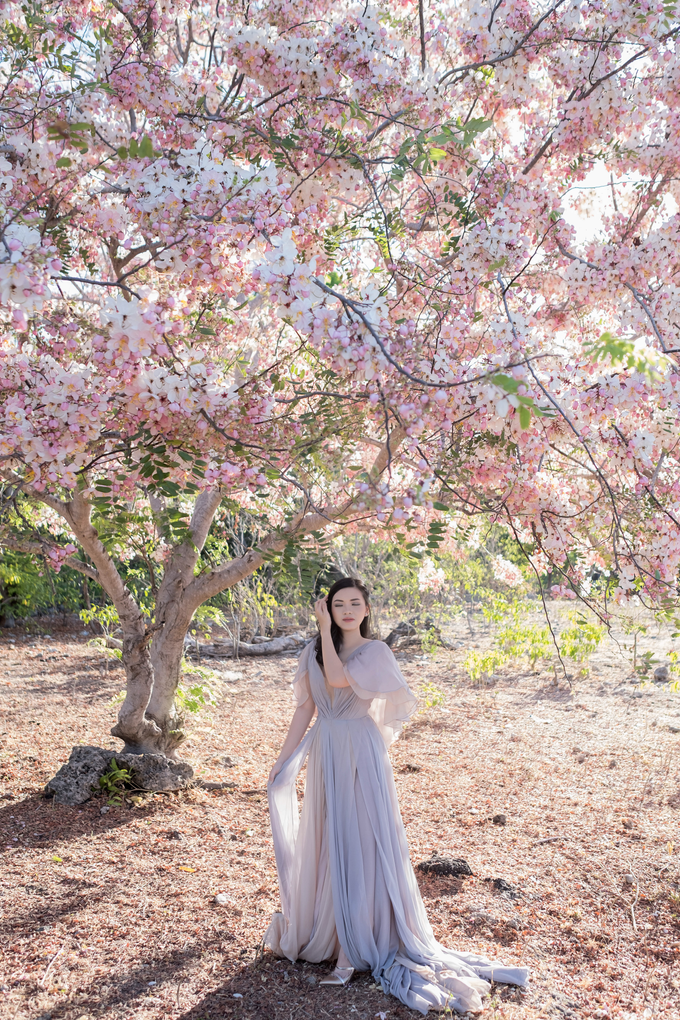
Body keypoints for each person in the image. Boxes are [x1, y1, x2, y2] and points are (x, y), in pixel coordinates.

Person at [265, 577, 528, 1014]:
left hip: (359, 752)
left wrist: (320, 628)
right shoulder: (311, 651)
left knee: (361, 840)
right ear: (329, 608)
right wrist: (282, 760)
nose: (346, 610)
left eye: (354, 603)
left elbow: (337, 677)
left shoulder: (375, 652)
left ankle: (354, 949)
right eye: (337, 604)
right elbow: (306, 708)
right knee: (330, 839)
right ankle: (332, 933)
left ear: (366, 609)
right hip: (327, 749)